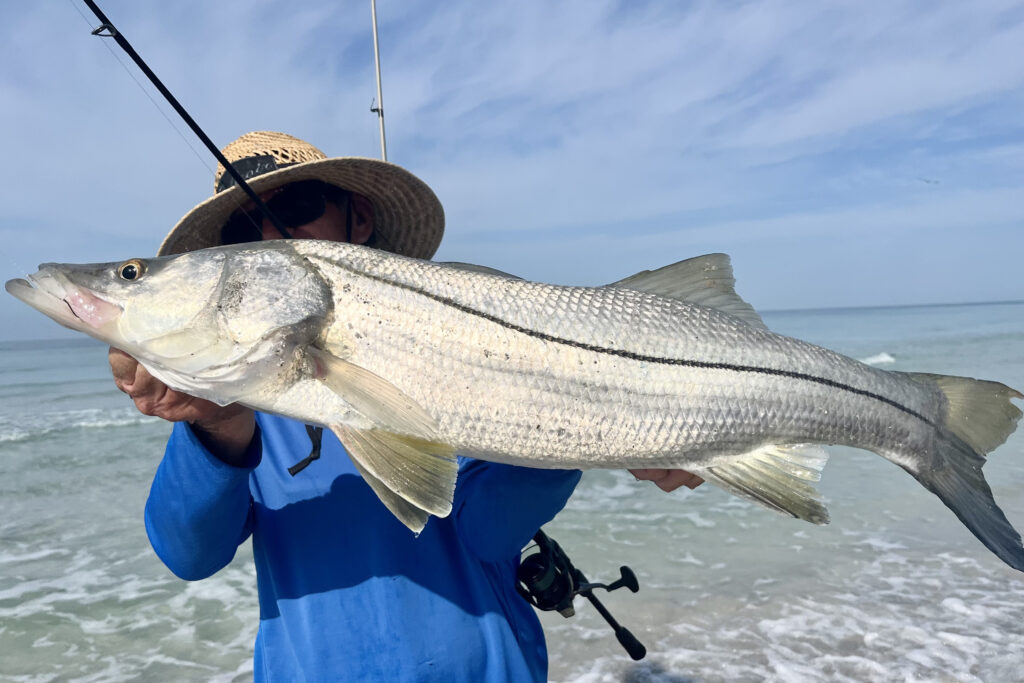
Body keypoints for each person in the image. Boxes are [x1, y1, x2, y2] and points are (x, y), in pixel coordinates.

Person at [109, 131, 703, 681]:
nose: (271, 239)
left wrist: (594, 426)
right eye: (242, 234)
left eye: (294, 210)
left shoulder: (461, 356)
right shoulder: (239, 403)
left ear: (359, 218)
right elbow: (189, 555)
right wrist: (215, 426)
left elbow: (488, 534)